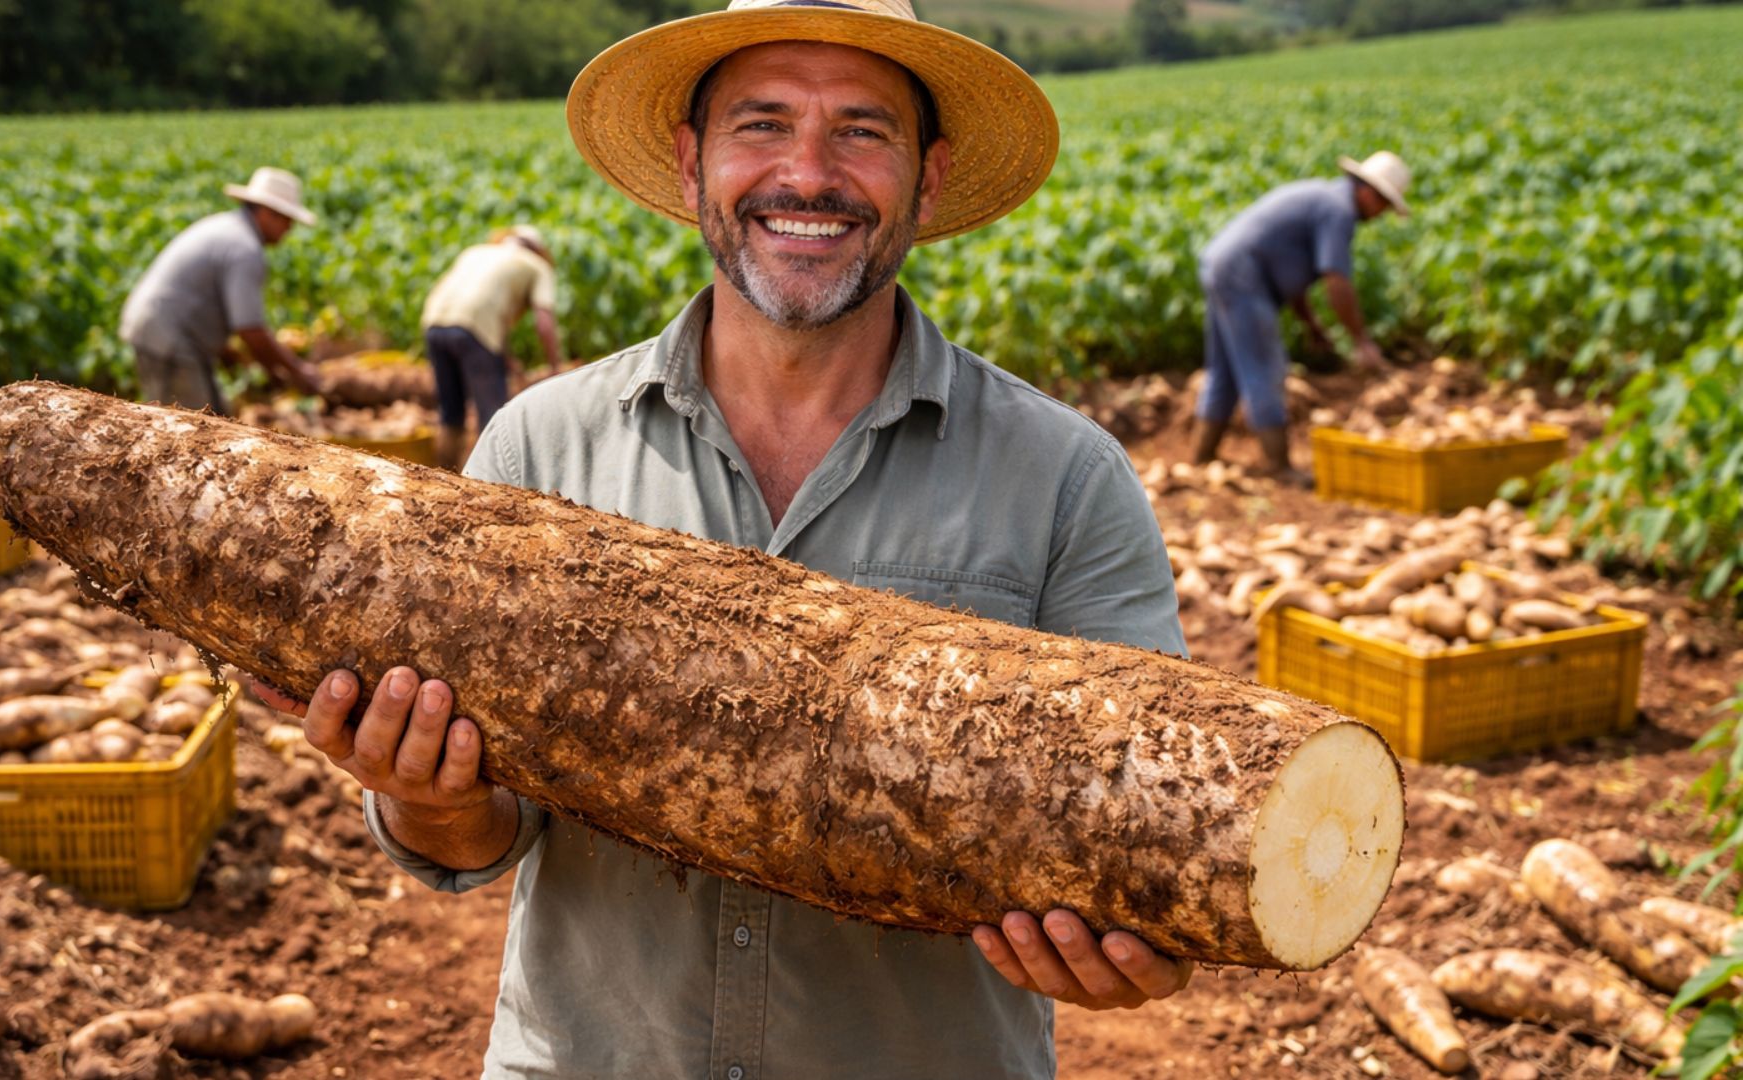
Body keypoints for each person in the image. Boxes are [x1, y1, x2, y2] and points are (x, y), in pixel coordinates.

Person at [254, 0, 1191, 1074]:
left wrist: (1146, 941)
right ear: (692, 159)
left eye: (861, 130)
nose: (808, 172)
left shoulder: (1066, 477)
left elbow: (1151, 831)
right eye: (762, 123)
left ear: (927, 179)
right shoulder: (538, 452)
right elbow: (480, 837)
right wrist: (428, 796)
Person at [1192, 151, 1412, 485]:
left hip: (1224, 265)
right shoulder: (1338, 211)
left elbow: (1292, 273)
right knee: (1265, 367)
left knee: (1225, 369)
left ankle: (1201, 455)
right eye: (1383, 206)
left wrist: (1312, 325)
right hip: (1244, 277)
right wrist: (1361, 341)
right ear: (1370, 193)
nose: (1380, 215)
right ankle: (1278, 465)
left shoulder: (1323, 199)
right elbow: (1337, 281)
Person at [119, 166, 322, 414]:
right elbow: (250, 329)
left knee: (213, 418)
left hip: (163, 329)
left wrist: (231, 355)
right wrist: (295, 371)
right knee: (191, 430)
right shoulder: (245, 249)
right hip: (169, 336)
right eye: (287, 220)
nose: (289, 229)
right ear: (268, 213)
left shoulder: (227, 228)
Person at [420, 226, 565, 470]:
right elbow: (544, 324)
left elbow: (481, 305)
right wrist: (555, 367)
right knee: (493, 418)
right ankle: (490, 486)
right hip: (475, 329)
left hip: (434, 323)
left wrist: (505, 357)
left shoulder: (475, 252)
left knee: (451, 412)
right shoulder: (537, 266)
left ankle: (442, 477)